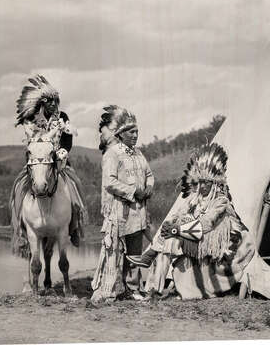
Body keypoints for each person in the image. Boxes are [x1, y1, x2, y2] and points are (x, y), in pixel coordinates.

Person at [128, 143, 255, 300]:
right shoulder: (195, 199)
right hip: (197, 240)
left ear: (215, 184)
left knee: (173, 234)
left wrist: (177, 229)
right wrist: (172, 226)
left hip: (220, 250)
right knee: (170, 236)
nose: (201, 187)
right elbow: (178, 216)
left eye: (206, 183)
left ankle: (150, 258)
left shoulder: (221, 201)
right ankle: (154, 290)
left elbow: (206, 224)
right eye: (200, 182)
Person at [10, 75, 88, 256]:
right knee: (18, 189)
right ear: (41, 102)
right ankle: (20, 229)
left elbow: (67, 139)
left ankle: (75, 225)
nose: (53, 104)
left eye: (55, 100)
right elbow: (28, 141)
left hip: (59, 161)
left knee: (76, 184)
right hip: (36, 161)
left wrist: (64, 151)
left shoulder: (62, 117)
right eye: (48, 101)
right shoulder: (31, 119)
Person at [91, 105, 154, 302]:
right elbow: (109, 182)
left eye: (137, 132)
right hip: (120, 210)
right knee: (115, 251)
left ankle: (133, 288)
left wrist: (149, 188)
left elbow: (149, 174)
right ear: (122, 134)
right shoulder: (113, 153)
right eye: (132, 132)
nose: (135, 135)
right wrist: (133, 191)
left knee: (135, 251)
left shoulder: (138, 153)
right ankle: (111, 289)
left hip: (138, 211)